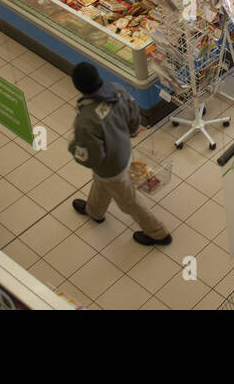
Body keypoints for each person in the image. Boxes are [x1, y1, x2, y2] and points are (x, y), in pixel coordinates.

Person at [67, 62, 172, 247]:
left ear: (78, 87)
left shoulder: (86, 121)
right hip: (124, 150)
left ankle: (158, 233)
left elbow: (91, 157)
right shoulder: (116, 90)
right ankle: (94, 211)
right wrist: (130, 131)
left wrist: (73, 146)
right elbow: (133, 115)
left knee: (129, 202)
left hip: (111, 168)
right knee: (101, 183)